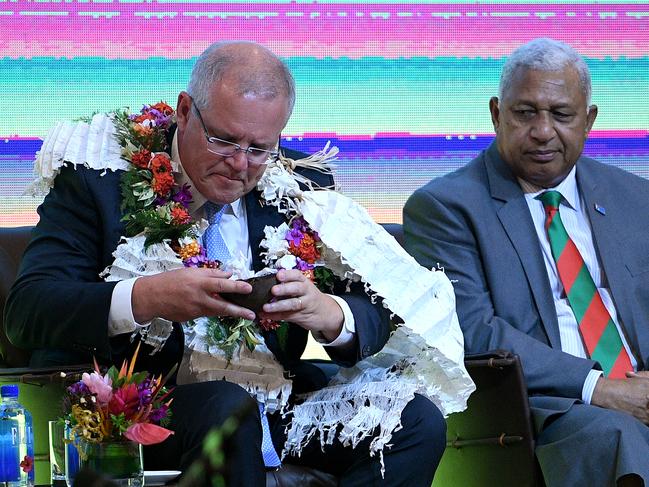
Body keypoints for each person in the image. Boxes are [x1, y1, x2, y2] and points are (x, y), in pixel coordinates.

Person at [5, 41, 449, 485]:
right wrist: (148, 297)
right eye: (223, 139)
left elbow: (376, 303)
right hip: (146, 409)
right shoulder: (98, 177)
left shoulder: (298, 183)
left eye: (259, 148)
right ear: (183, 111)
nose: (239, 164)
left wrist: (331, 315)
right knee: (226, 406)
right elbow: (28, 311)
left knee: (416, 421)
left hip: (272, 399)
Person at [404, 37, 649, 486]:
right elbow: (472, 330)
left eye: (560, 114)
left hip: (639, 388)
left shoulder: (636, 198)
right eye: (525, 113)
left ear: (589, 121)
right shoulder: (445, 207)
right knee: (618, 435)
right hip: (542, 408)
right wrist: (602, 388)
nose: (542, 130)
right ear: (497, 114)